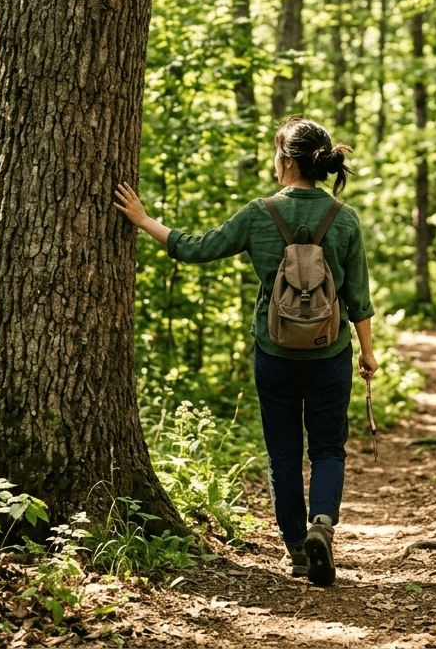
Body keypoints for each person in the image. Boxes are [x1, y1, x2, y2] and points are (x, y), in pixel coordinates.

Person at [113, 115, 377, 587]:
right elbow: (358, 297)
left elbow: (196, 249)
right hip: (329, 351)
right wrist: (367, 354)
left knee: (282, 453)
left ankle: (297, 551)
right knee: (328, 448)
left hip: (274, 351)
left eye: (277, 153)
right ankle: (322, 525)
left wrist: (143, 220)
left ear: (288, 161)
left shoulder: (260, 213)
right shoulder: (345, 218)